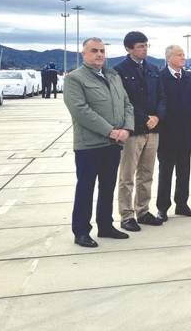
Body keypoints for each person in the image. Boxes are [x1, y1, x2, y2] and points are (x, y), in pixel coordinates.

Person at [63, 38, 133, 248]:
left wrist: (127, 129)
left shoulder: (113, 76)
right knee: (86, 188)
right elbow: (81, 111)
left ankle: (105, 225)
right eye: (94, 51)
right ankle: (81, 231)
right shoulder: (75, 79)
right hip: (89, 146)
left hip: (114, 144)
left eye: (102, 51)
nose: (99, 54)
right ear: (84, 54)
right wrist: (110, 131)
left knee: (107, 187)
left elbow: (127, 104)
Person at [114, 31, 166, 232]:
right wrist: (144, 118)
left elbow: (163, 97)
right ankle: (127, 215)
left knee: (147, 173)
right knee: (127, 176)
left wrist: (157, 117)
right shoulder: (119, 70)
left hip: (153, 130)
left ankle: (143, 211)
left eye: (146, 45)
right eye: (140, 46)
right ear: (128, 48)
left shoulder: (153, 69)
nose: (144, 49)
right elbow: (123, 101)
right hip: (133, 130)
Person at [156, 44, 191, 220]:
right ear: (169, 58)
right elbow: (159, 102)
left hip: (186, 132)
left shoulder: (189, 78)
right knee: (165, 173)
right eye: (179, 55)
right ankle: (163, 208)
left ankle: (182, 204)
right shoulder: (160, 77)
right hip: (167, 134)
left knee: (184, 171)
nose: (183, 57)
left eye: (183, 54)